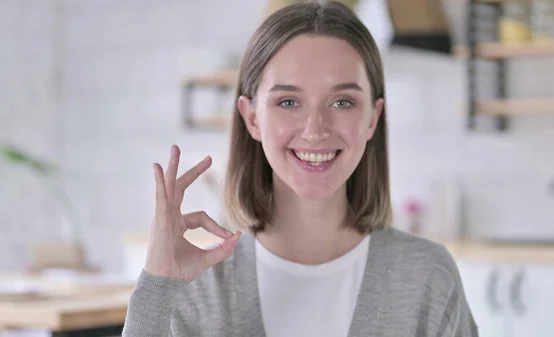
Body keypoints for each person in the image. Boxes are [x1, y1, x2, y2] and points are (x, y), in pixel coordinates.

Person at [122, 1, 478, 336]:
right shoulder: (199, 283)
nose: (315, 130)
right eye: (288, 101)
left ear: (373, 118)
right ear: (252, 118)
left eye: (342, 101)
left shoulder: (427, 277)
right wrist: (156, 287)